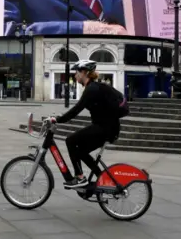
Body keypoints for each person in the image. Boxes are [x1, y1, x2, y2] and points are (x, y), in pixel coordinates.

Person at [51, 59, 125, 189]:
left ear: (84, 72)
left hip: (105, 128)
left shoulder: (92, 89)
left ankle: (80, 177)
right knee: (81, 151)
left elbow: (76, 110)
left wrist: (57, 119)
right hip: (107, 128)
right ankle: (103, 178)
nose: (75, 75)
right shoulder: (93, 88)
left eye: (77, 72)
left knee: (70, 141)